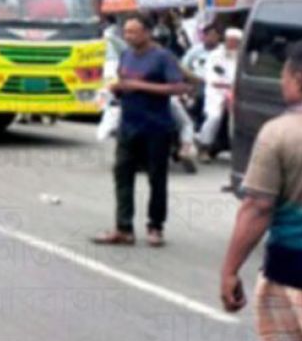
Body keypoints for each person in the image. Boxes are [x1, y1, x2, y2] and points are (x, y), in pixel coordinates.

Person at [219, 41, 302, 341]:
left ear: (299, 79)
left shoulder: (280, 133)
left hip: (295, 272)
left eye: (284, 74)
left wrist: (229, 270)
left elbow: (257, 207)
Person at [92, 13, 187, 247]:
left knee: (157, 178)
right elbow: (124, 82)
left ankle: (155, 226)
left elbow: (178, 87)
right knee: (122, 175)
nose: (129, 36)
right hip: (128, 126)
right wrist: (118, 89)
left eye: (133, 32)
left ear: (147, 32)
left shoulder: (162, 57)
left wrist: (139, 86)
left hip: (156, 127)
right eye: (126, 32)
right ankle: (123, 228)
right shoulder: (126, 55)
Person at [198, 28, 242, 159]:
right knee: (215, 117)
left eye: (235, 41)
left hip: (237, 91)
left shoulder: (243, 55)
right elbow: (213, 79)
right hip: (216, 92)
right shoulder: (215, 55)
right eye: (230, 41)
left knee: (238, 119)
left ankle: (237, 150)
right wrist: (229, 86)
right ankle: (204, 146)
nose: (232, 44)